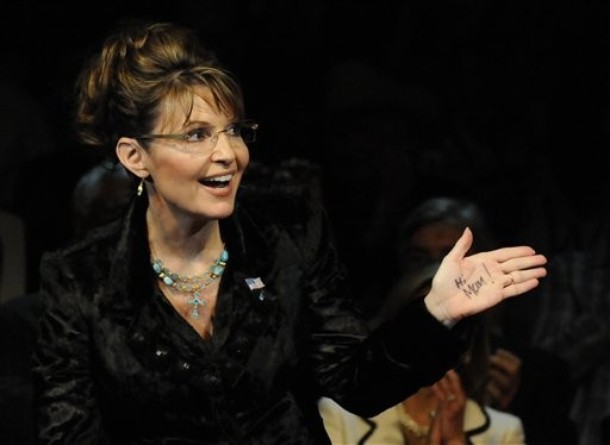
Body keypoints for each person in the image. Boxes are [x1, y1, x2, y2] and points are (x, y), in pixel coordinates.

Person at [31, 20, 547, 445]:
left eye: (234, 130)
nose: (228, 153)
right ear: (134, 156)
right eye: (196, 135)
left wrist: (437, 312)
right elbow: (69, 435)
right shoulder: (80, 279)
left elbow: (356, 385)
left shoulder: (287, 235)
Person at [388, 195, 578, 444]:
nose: (438, 272)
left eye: (451, 256)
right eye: (419, 258)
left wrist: (501, 413)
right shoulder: (365, 362)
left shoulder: (535, 373)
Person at [319, 262, 526, 444]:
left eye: (455, 323)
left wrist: (455, 442)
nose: (433, 336)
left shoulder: (504, 432)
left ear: (471, 345)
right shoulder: (339, 415)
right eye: (424, 322)